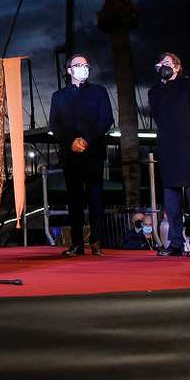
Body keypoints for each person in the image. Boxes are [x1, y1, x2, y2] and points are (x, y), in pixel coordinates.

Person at [147, 52, 190, 257]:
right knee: (172, 203)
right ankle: (174, 243)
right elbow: (158, 117)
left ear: (177, 67)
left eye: (168, 63)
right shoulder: (154, 91)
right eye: (161, 63)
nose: (164, 66)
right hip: (168, 149)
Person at [49, 54, 114, 257]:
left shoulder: (99, 92)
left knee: (96, 198)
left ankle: (96, 241)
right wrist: (71, 142)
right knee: (74, 200)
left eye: (86, 65)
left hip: (93, 152)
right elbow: (55, 124)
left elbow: (106, 119)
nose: (83, 68)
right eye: (78, 65)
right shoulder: (58, 96)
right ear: (69, 70)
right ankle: (76, 243)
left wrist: (86, 139)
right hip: (71, 154)